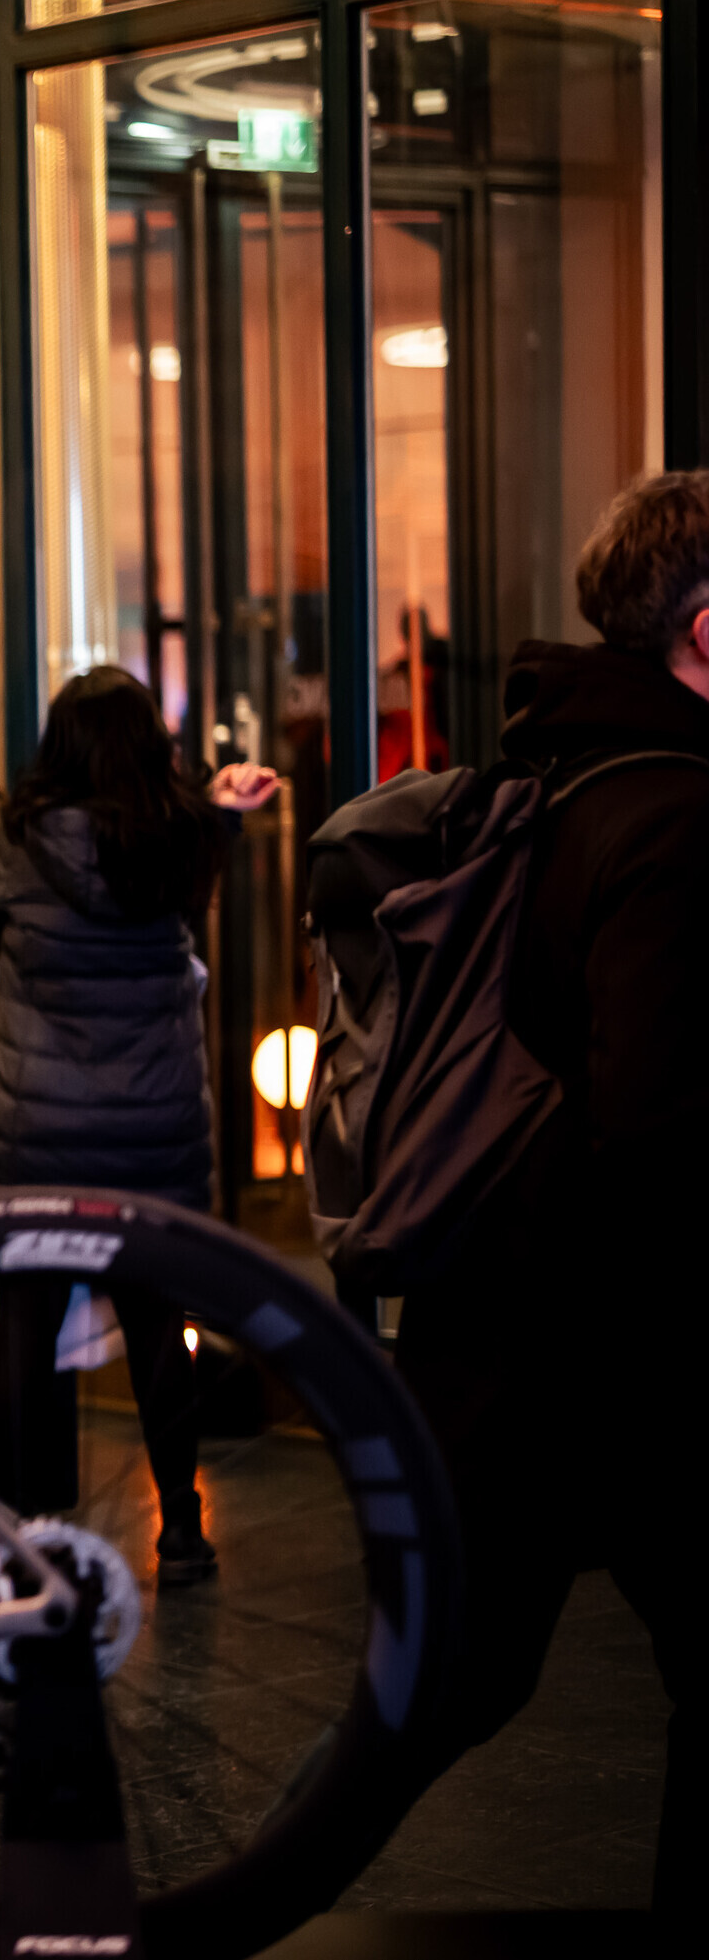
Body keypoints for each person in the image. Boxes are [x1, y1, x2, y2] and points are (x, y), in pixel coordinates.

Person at [389, 470, 708, 1914]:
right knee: (442, 1691)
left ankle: (189, 1900)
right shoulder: (678, 814)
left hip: (513, 1316)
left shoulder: (565, 775)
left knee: (443, 1686)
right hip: (615, 1335)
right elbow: (656, 1122)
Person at [0, 666, 278, 1582]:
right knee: (157, 1323)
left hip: (34, 1133)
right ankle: (182, 1530)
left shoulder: (22, 839)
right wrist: (223, 809)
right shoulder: (176, 838)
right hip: (150, 1133)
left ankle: (23, 1532)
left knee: (26, 1325)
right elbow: (203, 859)